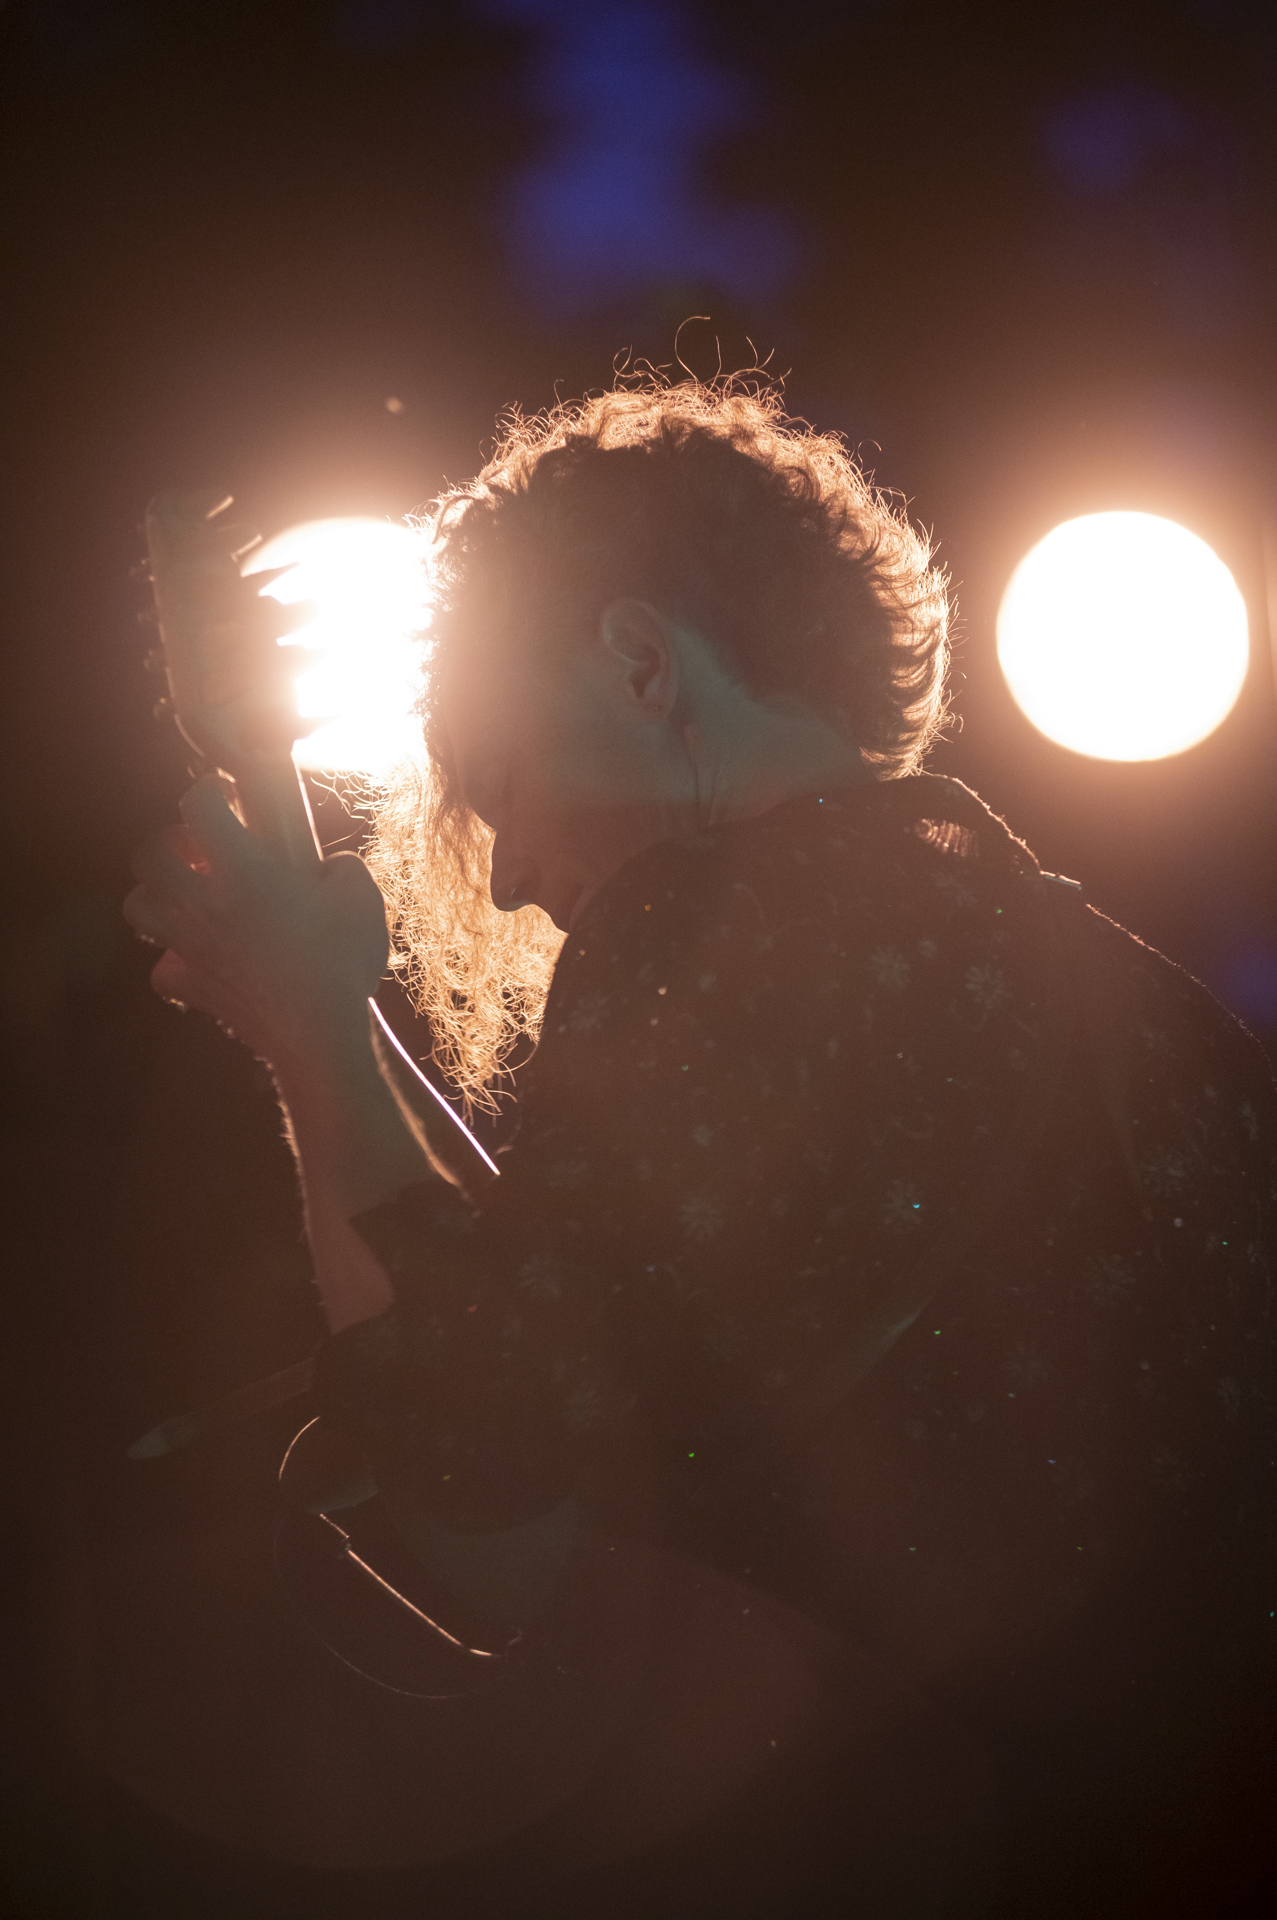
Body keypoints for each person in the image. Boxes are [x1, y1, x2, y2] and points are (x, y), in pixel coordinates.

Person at [124, 379, 1277, 1917]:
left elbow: (484, 1500)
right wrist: (320, 1003)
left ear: (641, 664)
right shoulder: (1119, 995)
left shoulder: (730, 918)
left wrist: (304, 1028)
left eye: (499, 778)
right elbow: (558, 1339)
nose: (514, 872)